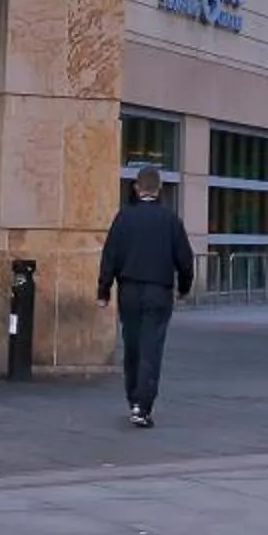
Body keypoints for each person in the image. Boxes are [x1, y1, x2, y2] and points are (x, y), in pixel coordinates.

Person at [96, 163, 193, 427]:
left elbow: (110, 255)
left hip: (129, 290)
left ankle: (133, 399)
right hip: (159, 291)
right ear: (159, 189)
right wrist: (184, 287)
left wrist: (104, 290)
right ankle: (143, 405)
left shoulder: (124, 218)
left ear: (137, 188)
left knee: (133, 346)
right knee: (151, 347)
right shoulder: (170, 220)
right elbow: (185, 259)